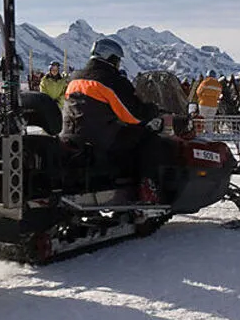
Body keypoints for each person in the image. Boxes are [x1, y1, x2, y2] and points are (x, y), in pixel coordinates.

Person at [61, 38, 164, 203]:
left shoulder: (75, 78)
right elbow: (133, 116)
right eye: (118, 60)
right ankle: (147, 187)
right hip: (101, 139)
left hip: (72, 136)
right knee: (149, 138)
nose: (118, 64)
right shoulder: (110, 80)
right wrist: (152, 111)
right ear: (112, 58)